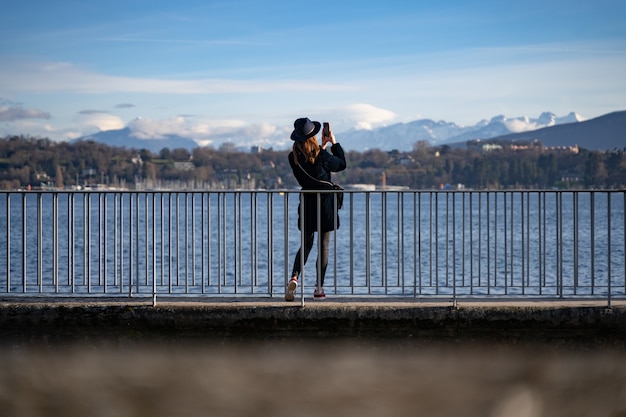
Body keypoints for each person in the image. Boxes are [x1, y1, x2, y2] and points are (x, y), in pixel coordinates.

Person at [285, 117, 346, 301]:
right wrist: (333, 143)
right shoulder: (321, 154)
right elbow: (340, 164)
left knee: (306, 244)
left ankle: (294, 276)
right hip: (325, 204)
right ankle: (319, 288)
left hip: (307, 203)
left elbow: (312, 167)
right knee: (324, 246)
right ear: (313, 136)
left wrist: (322, 148)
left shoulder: (293, 157)